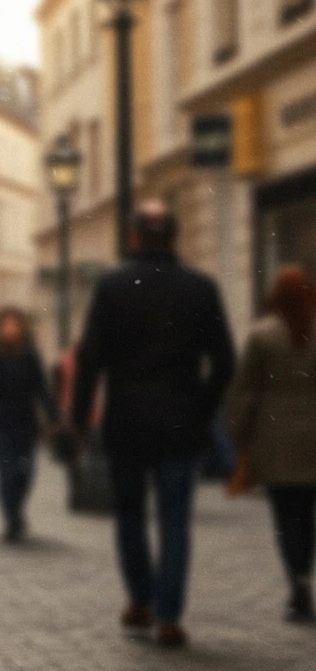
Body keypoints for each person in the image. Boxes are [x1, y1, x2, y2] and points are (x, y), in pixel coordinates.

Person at [72, 199, 235, 648]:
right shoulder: (201, 288)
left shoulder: (114, 286)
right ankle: (168, 614)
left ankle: (141, 599)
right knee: (175, 519)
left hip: (126, 421)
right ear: (175, 237)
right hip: (181, 423)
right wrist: (202, 408)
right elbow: (223, 362)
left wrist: (80, 418)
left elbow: (91, 359)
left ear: (134, 237)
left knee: (129, 515)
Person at [226, 265, 316, 622]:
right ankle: (305, 570)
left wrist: (238, 437)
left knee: (286, 516)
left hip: (275, 442)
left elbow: (245, 392)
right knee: (307, 513)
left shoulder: (263, 336)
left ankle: (298, 584)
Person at [0, 307, 58, 542]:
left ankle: (15, 511)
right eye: (5, 324)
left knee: (24, 472)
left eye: (14, 324)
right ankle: (12, 517)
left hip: (24, 424)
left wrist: (53, 416)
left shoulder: (29, 356)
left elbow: (41, 389)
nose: (9, 329)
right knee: (6, 472)